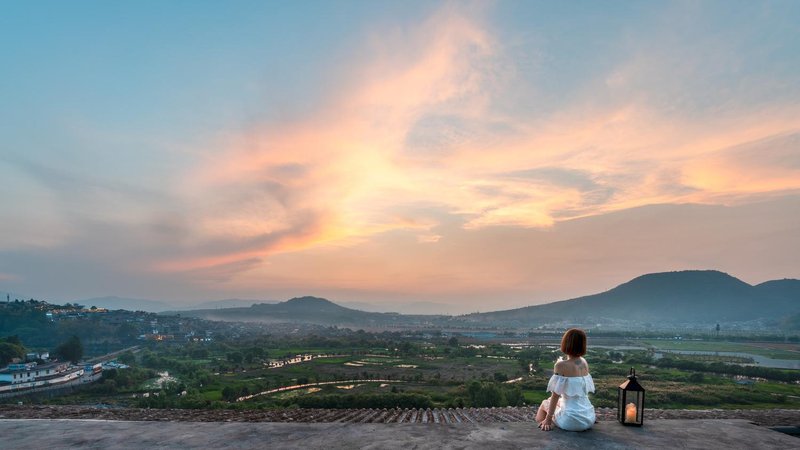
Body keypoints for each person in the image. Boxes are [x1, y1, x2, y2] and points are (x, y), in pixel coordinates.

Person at [535, 328, 596, 432]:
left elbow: (555, 395)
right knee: (558, 402)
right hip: (589, 418)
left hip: (570, 420)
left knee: (545, 402)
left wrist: (548, 419)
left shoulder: (561, 365)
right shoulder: (584, 363)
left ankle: (543, 425)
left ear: (565, 343)